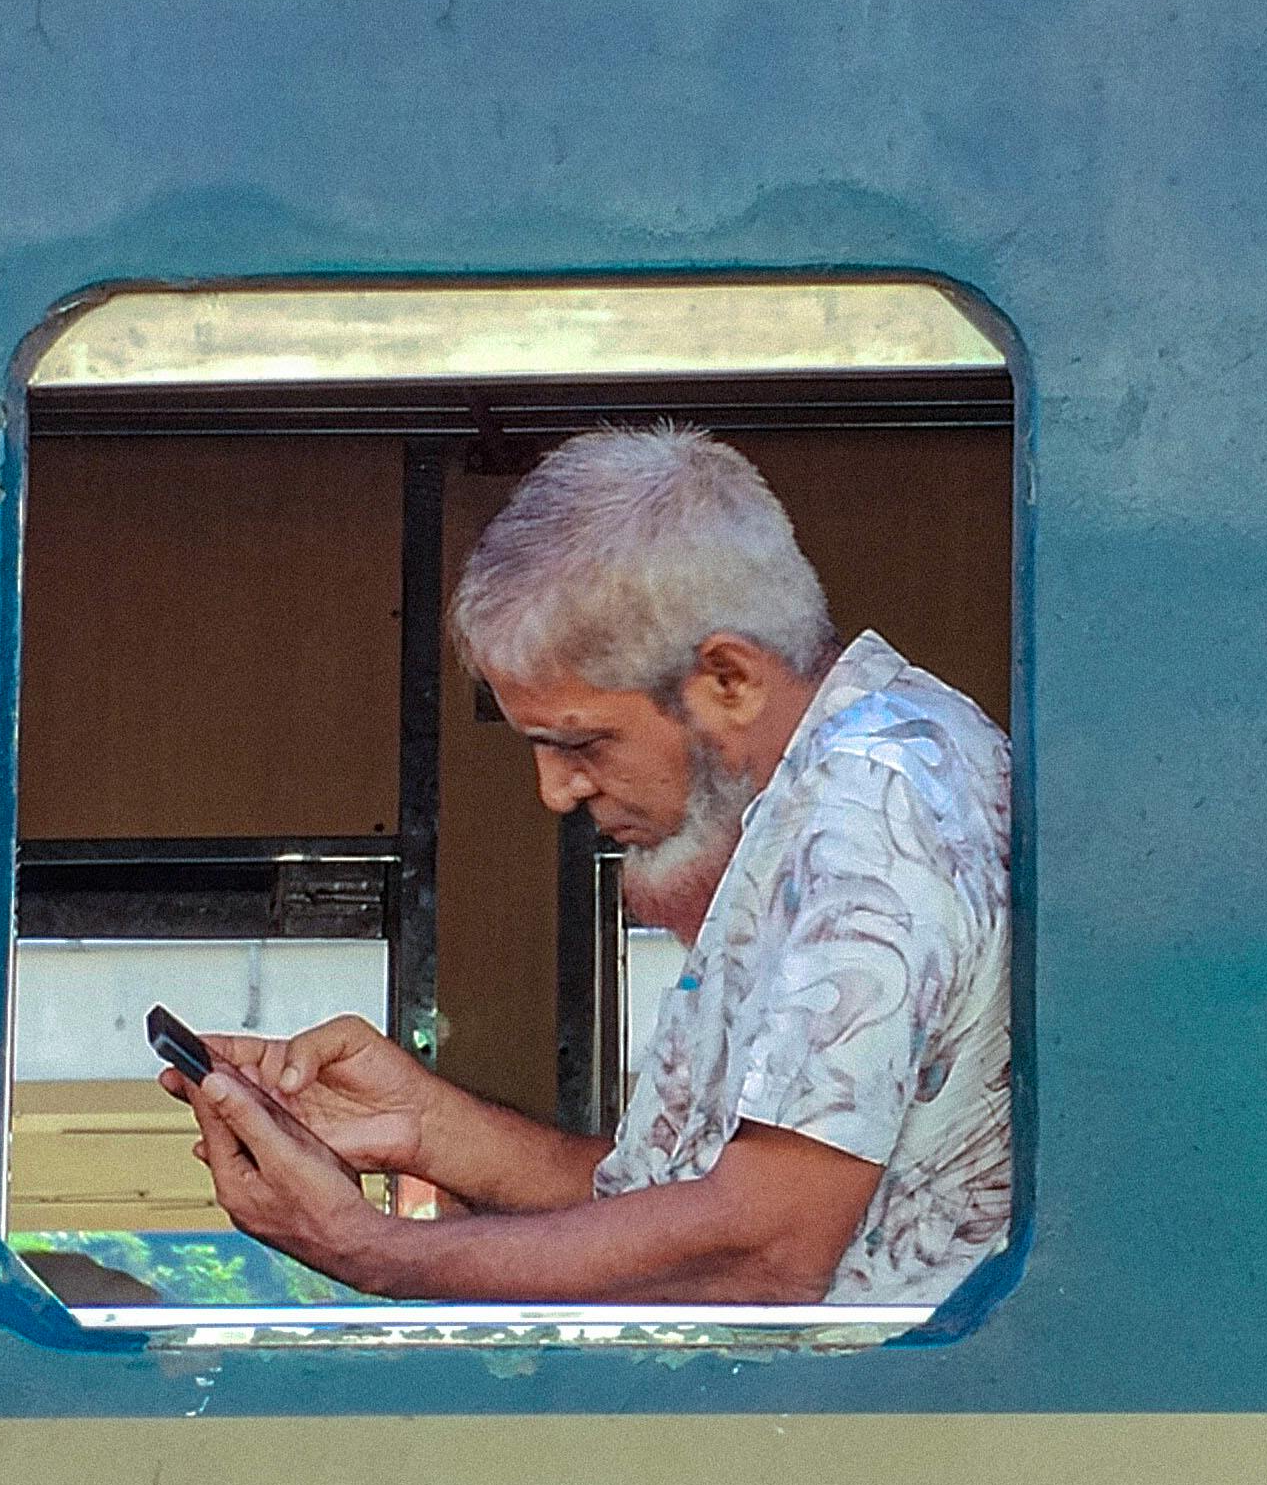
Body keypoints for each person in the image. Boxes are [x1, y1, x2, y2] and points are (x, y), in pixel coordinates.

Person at [164, 422, 1011, 1308]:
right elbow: (668, 1207)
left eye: (582, 742)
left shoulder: (874, 809)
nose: (555, 793)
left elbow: (766, 1251)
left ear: (729, 678)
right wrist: (428, 1127)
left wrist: (368, 1251)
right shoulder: (842, 787)